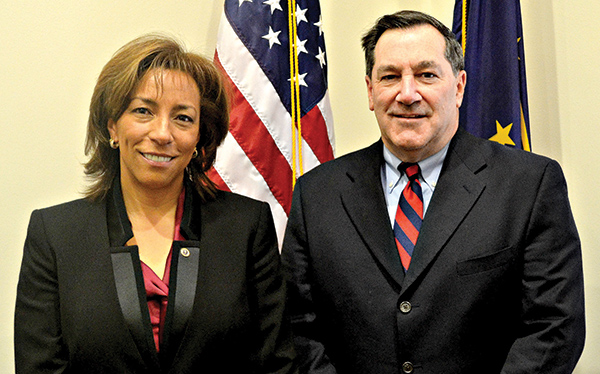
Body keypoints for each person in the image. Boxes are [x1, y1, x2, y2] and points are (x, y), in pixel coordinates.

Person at [281, 10, 585, 374]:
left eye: (426, 75)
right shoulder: (317, 195)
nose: (407, 94)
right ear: (370, 91)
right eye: (390, 76)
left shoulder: (529, 186)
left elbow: (553, 328)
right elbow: (297, 329)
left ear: (458, 87)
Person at [15, 34, 296, 373]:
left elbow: (277, 364)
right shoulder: (55, 234)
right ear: (112, 127)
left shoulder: (246, 226)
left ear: (199, 139)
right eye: (143, 111)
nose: (163, 133)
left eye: (183, 118)